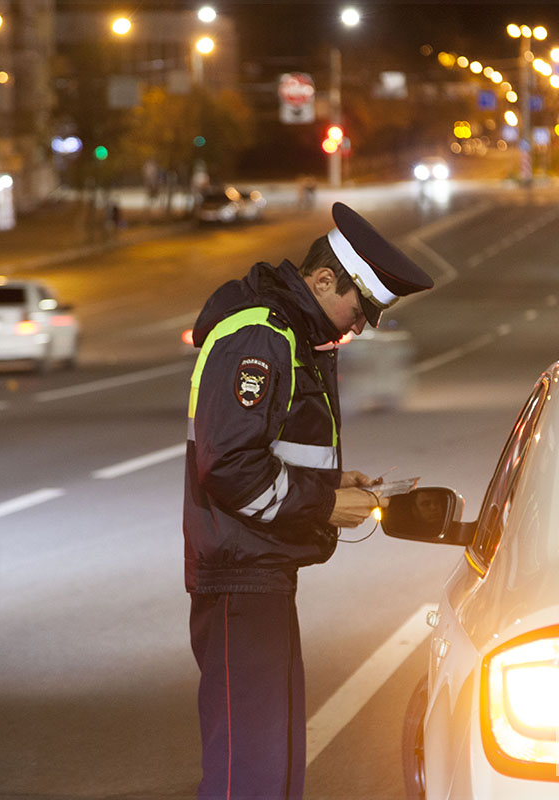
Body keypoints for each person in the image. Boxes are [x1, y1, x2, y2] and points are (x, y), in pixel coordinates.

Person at [183, 202, 434, 799]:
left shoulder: (289, 334)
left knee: (271, 766)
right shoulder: (260, 338)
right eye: (360, 308)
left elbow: (264, 453)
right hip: (240, 577)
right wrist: (322, 507)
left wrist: (336, 489)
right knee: (251, 773)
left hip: (258, 573)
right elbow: (231, 466)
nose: (360, 326)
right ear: (323, 280)